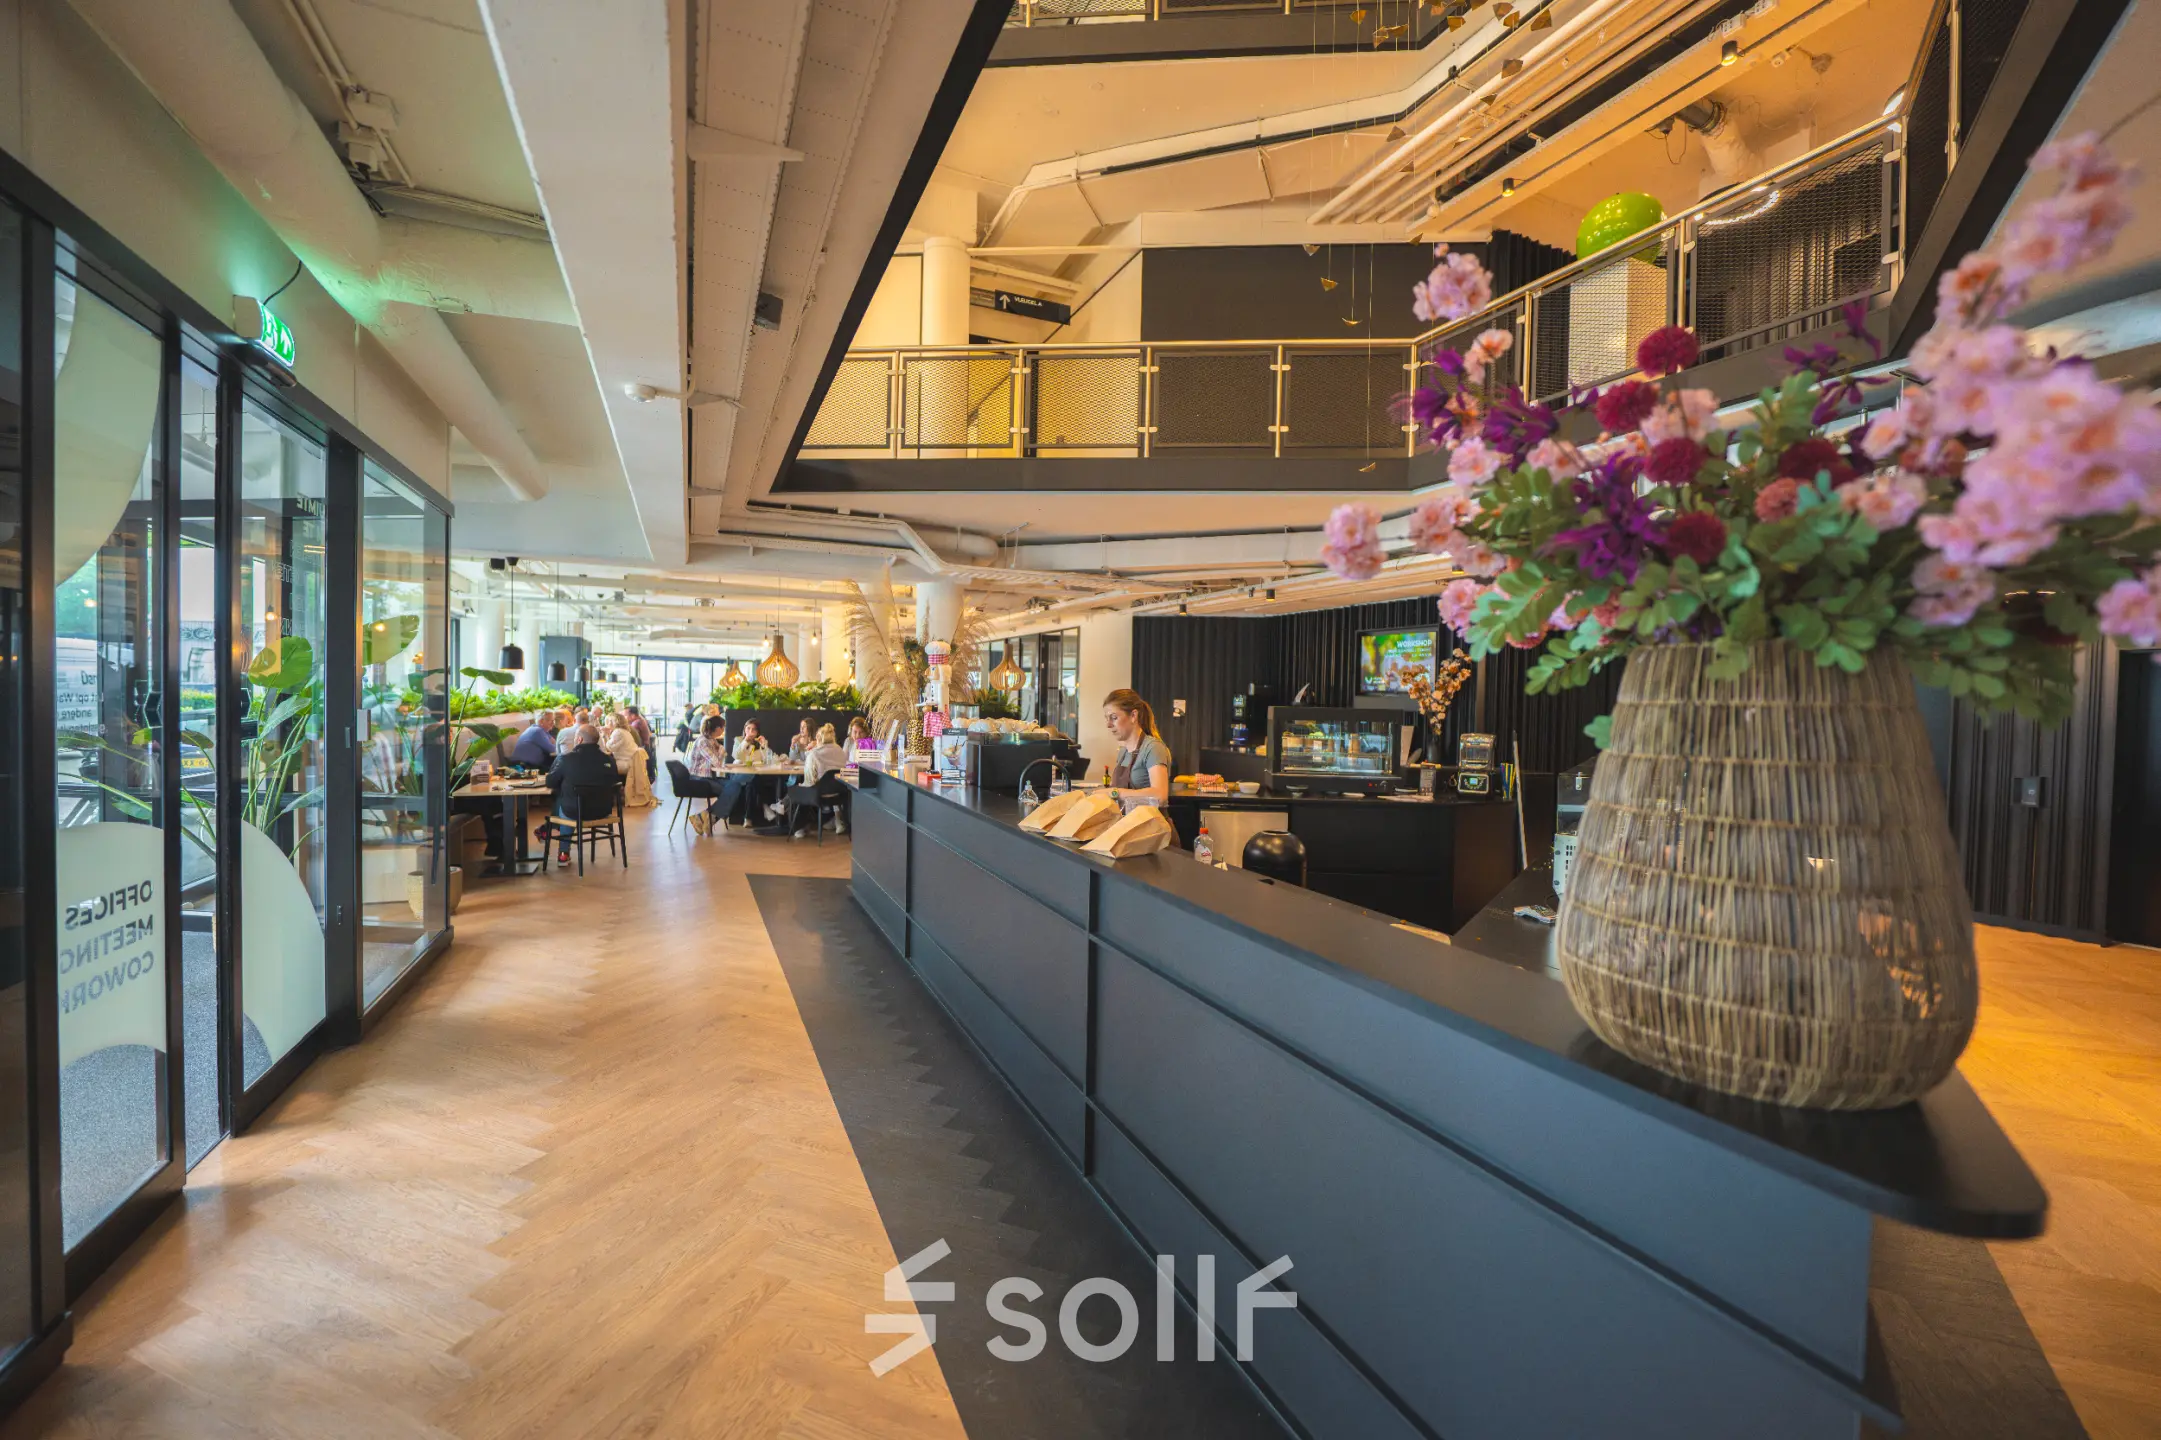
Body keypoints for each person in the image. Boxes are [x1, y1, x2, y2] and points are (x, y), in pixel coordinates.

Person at [537, 725, 618, 866]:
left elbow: (550, 782)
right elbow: (614, 781)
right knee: (570, 799)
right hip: (603, 811)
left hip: (574, 811)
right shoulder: (609, 760)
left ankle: (563, 852)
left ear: (579, 739)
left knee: (567, 801)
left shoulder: (566, 759)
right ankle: (549, 832)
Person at [782, 723, 851, 838]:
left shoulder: (814, 754)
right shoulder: (840, 751)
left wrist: (802, 785)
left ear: (818, 738)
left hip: (818, 795)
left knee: (799, 788)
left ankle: (798, 828)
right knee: (806, 788)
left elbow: (810, 781)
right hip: (840, 794)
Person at [1103, 688, 1171, 805]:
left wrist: (1114, 792)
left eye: (1114, 718)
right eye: (1107, 718)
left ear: (1133, 716)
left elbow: (1160, 795)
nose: (1108, 725)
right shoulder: (1123, 752)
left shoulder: (1153, 748)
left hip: (1148, 817)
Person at [687, 715, 736, 836]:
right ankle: (708, 818)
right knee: (732, 790)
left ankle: (704, 817)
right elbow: (717, 762)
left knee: (735, 786)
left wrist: (721, 751)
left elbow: (718, 762)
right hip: (699, 780)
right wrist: (721, 751)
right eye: (723, 727)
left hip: (709, 778)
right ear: (718, 728)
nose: (724, 730)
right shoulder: (703, 742)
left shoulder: (712, 740)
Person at [601, 718, 656, 808]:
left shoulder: (618, 732)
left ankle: (608, 797)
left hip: (626, 762)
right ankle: (616, 794)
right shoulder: (625, 731)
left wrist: (605, 735)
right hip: (631, 760)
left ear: (612, 722)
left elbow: (609, 748)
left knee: (603, 768)